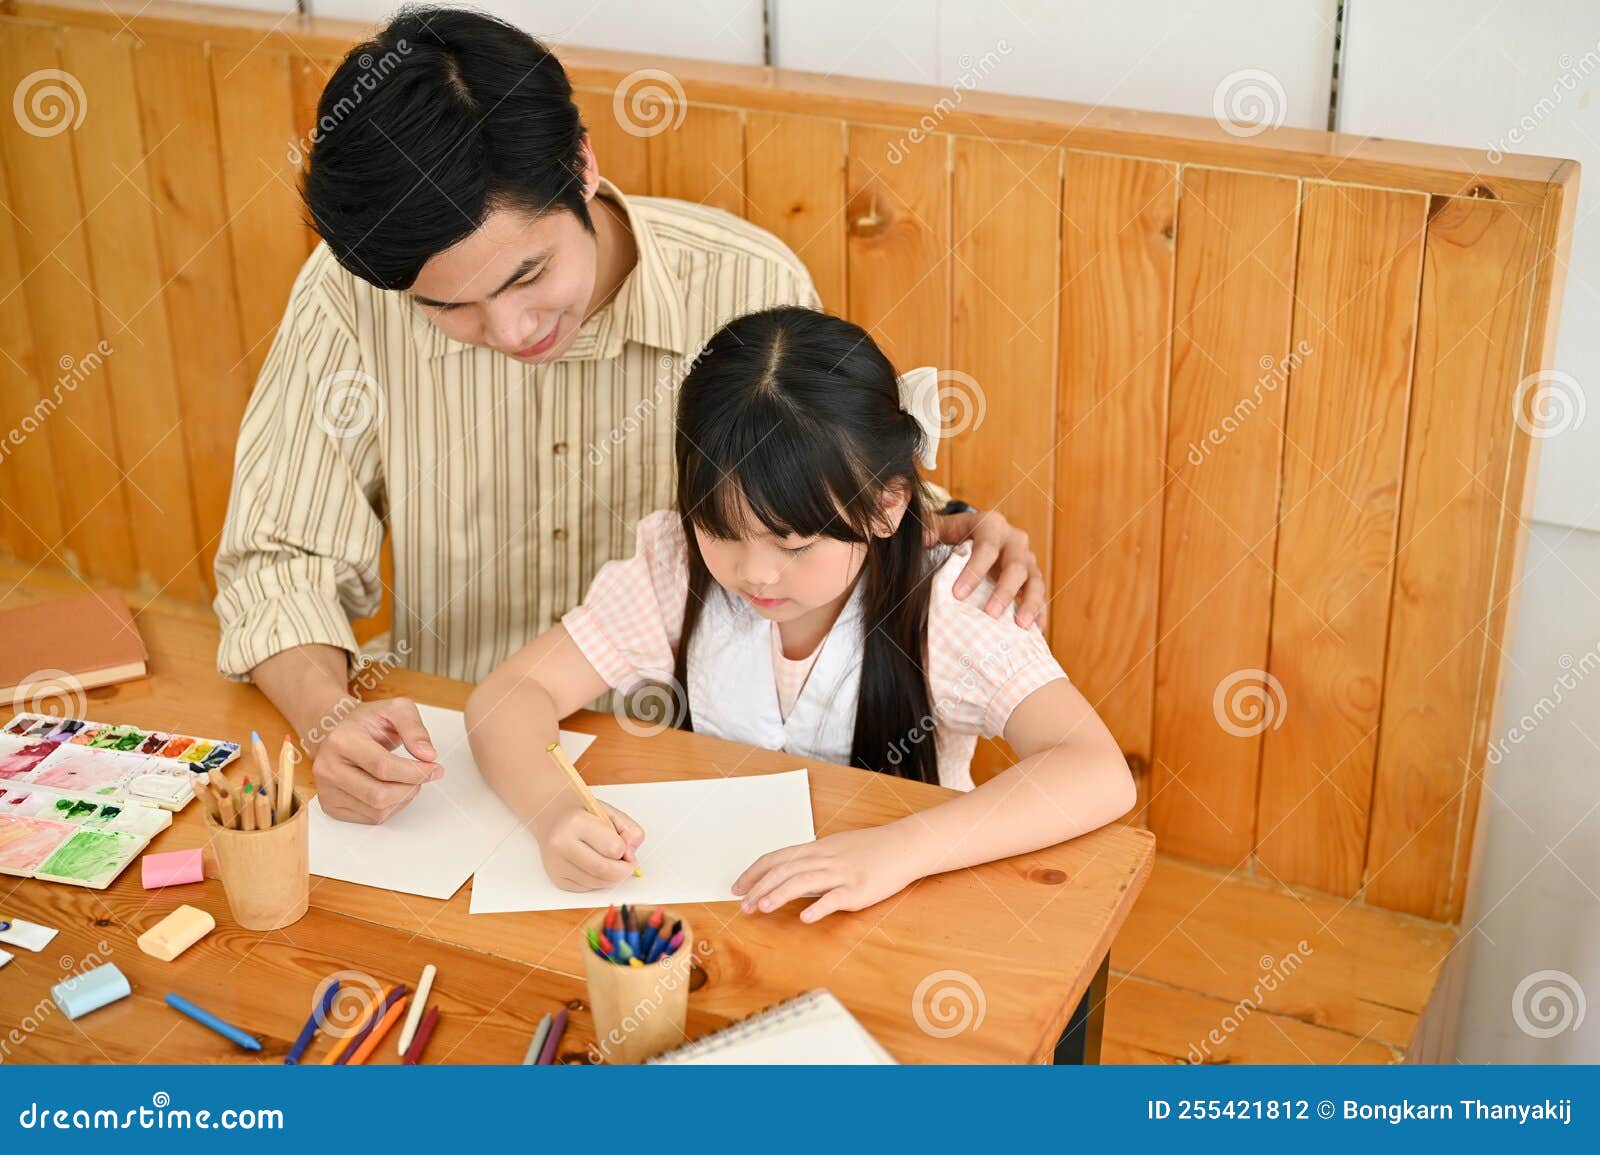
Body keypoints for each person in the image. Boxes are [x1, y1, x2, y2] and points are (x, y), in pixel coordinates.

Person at [212, 5, 1048, 825]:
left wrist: (949, 526)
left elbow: (817, 493)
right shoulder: (350, 295)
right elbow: (278, 561)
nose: (509, 331)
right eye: (448, 307)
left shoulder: (745, 287)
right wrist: (326, 717)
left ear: (580, 166)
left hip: (692, 781)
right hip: (448, 769)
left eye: (527, 274)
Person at [465, 308, 1134, 922]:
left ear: (888, 504)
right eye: (720, 530)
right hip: (720, 915)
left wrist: (896, 850)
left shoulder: (948, 605)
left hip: (909, 914)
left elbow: (1094, 770)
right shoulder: (670, 569)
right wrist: (555, 811)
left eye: (793, 543)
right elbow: (509, 696)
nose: (754, 572)